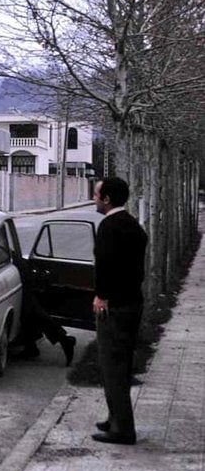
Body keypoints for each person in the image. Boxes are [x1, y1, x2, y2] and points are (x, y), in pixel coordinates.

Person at [91, 177, 148, 445]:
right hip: (133, 303)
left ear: (107, 199)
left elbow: (104, 265)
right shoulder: (134, 226)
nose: (94, 198)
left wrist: (101, 296)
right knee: (121, 364)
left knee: (111, 365)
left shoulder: (108, 227)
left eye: (96, 194)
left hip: (114, 306)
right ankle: (115, 416)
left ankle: (122, 429)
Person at [14, 269, 76, 366]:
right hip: (18, 267)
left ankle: (63, 340)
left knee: (29, 308)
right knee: (27, 310)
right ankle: (31, 346)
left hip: (17, 267)